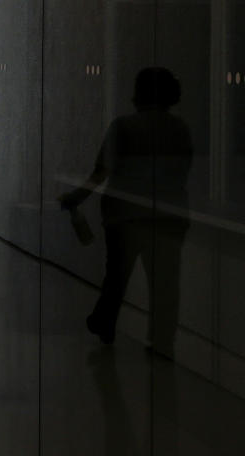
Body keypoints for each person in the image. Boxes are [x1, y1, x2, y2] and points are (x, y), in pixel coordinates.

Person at [60, 67, 192, 357]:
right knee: (165, 285)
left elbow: (101, 172)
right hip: (170, 217)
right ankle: (161, 343)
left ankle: (105, 322)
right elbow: (183, 172)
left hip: (125, 217)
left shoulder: (123, 127)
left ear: (139, 93)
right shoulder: (180, 129)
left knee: (117, 277)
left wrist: (75, 198)